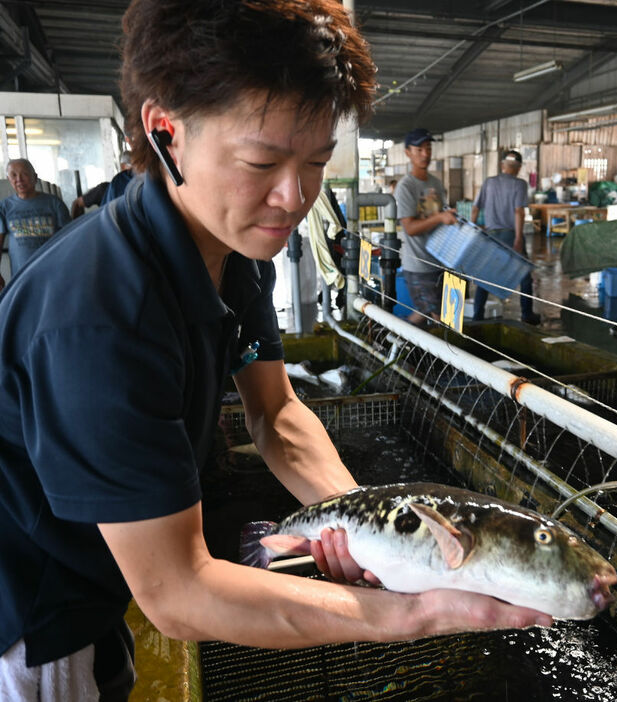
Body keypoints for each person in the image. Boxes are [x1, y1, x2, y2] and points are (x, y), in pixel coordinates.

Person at [0, 1, 551, 700]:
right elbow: (179, 594)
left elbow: (277, 413)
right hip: (31, 622)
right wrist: (408, 612)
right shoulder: (100, 317)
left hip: (100, 581)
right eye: (261, 160)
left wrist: (368, 526)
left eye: (316, 160)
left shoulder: (235, 254)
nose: (292, 197)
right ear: (165, 131)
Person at [394, 128, 457, 326]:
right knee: (435, 316)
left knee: (435, 314)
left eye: (428, 148)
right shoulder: (406, 187)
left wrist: (450, 218)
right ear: (408, 153)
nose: (425, 154)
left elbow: (438, 216)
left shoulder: (436, 183)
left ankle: (397, 341)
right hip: (418, 265)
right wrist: (439, 217)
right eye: (419, 149)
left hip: (439, 261)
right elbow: (410, 227)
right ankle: (397, 339)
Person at [471, 150, 540, 325]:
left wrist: (472, 229)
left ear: (503, 166)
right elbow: (519, 212)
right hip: (510, 234)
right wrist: (518, 238)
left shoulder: (489, 182)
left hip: (491, 235)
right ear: (518, 168)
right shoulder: (520, 184)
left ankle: (477, 316)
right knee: (524, 276)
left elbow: (475, 208)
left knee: (485, 276)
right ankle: (527, 314)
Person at [0, 158, 70, 287]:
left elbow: (70, 238)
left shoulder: (54, 203)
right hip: (21, 277)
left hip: (54, 272)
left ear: (35, 177)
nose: (19, 179)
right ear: (9, 179)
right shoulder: (4, 207)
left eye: (25, 174)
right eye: (13, 175)